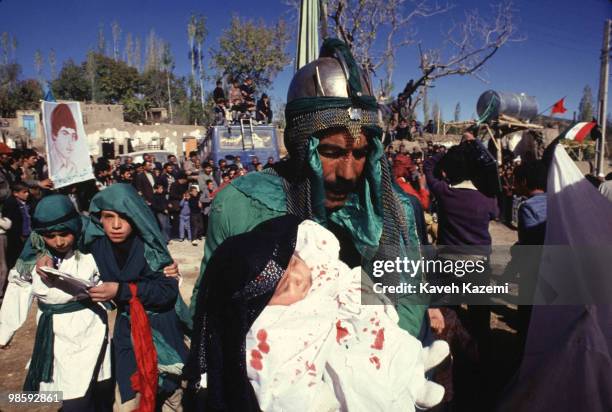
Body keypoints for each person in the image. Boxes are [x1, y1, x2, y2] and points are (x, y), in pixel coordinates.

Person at [190, 38, 426, 339]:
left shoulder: (394, 208)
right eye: (330, 153)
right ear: (301, 146)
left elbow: (408, 303)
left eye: (360, 153)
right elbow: (212, 311)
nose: (348, 173)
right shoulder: (241, 205)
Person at [188, 215, 448, 411]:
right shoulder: (271, 327)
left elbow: (347, 281)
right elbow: (280, 372)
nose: (298, 279)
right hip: (338, 359)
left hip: (356, 331)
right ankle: (406, 389)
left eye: (294, 265)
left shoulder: (320, 269)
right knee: (360, 378)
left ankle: (414, 369)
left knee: (392, 340)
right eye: (284, 288)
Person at [0, 195, 113, 411]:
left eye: (65, 234)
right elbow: (18, 292)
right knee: (71, 394)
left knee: (96, 389)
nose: (59, 241)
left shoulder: (90, 253)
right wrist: (4, 332)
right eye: (50, 236)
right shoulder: (32, 261)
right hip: (55, 333)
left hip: (89, 328)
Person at [85, 184, 188, 410]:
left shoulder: (151, 246)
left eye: (124, 217)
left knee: (171, 397)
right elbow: (53, 226)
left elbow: (166, 292)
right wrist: (42, 251)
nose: (116, 225)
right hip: (127, 329)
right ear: (99, 219)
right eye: (108, 217)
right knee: (128, 399)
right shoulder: (97, 246)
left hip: (162, 329)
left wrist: (122, 291)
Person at [48, 104, 80, 180]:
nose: (70, 143)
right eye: (65, 134)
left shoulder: (72, 168)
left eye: (73, 136)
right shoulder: (48, 167)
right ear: (54, 135)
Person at [4, 183, 32, 271]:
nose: (27, 194)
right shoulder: (11, 204)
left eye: (28, 191)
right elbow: (10, 222)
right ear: (16, 193)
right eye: (24, 192)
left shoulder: (28, 201)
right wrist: (19, 235)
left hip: (28, 233)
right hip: (17, 237)